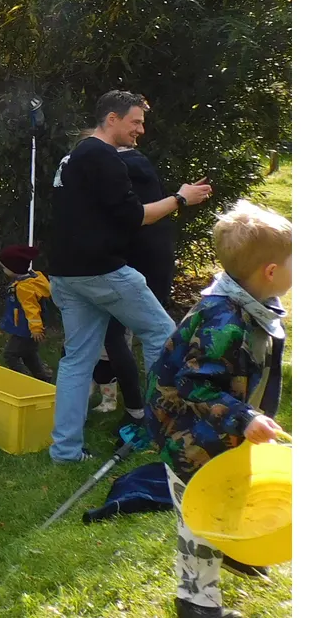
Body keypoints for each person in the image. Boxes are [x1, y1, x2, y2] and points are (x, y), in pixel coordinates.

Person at [46, 91, 212, 463]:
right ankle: (161, 429)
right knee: (163, 335)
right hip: (102, 271)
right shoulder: (104, 157)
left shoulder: (73, 157)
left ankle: (66, 451)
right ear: (112, 119)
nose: (141, 130)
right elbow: (135, 216)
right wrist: (181, 198)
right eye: (135, 122)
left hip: (65, 272)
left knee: (77, 360)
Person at [148, 201, 290, 618]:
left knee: (233, 492)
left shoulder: (250, 303)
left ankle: (236, 546)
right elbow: (195, 383)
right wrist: (244, 417)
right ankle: (196, 602)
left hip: (220, 430)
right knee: (200, 517)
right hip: (187, 434)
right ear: (270, 271)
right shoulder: (223, 319)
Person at [92, 141, 182, 417]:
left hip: (134, 263)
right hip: (154, 261)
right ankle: (150, 407)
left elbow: (128, 217)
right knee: (138, 334)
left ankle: (144, 410)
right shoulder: (138, 166)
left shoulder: (119, 172)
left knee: (121, 335)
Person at [0, 244, 56, 382]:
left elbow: (32, 309)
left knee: (10, 355)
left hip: (25, 328)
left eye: (4, 268)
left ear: (14, 268)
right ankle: (43, 379)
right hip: (26, 327)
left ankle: (24, 381)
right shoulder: (32, 279)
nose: (3, 270)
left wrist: (35, 329)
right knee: (29, 354)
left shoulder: (25, 288)